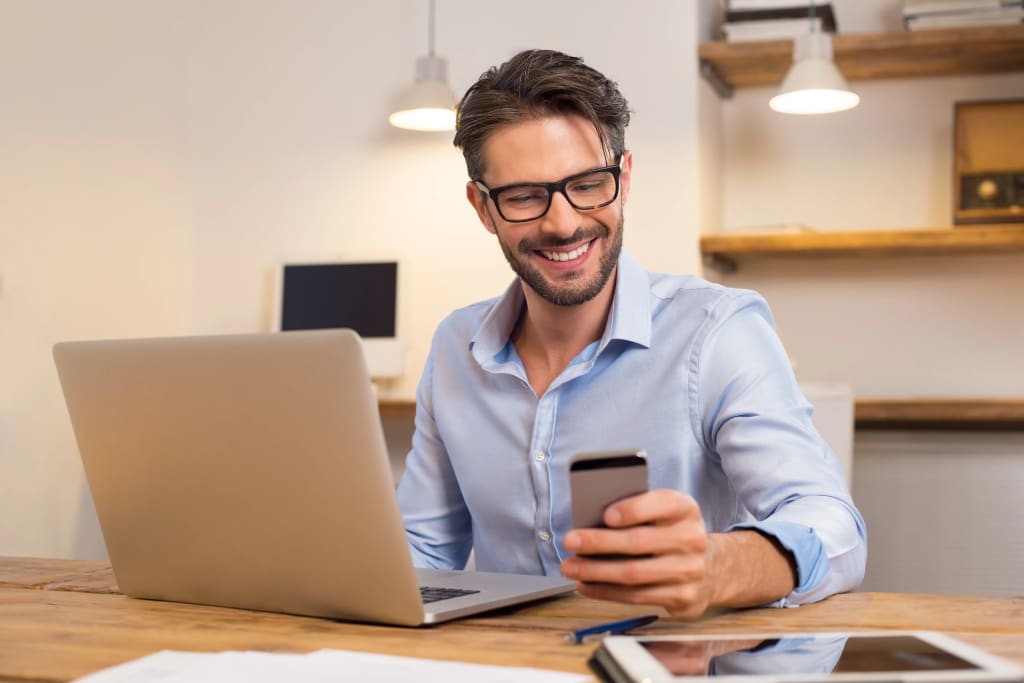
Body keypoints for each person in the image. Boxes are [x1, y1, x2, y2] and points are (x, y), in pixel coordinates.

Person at [396, 48, 866, 619]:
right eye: (524, 196)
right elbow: (422, 553)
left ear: (624, 179)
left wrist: (719, 566)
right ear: (482, 208)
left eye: (589, 184)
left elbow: (832, 527)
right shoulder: (455, 347)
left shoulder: (717, 332)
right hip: (505, 659)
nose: (563, 222)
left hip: (670, 657)